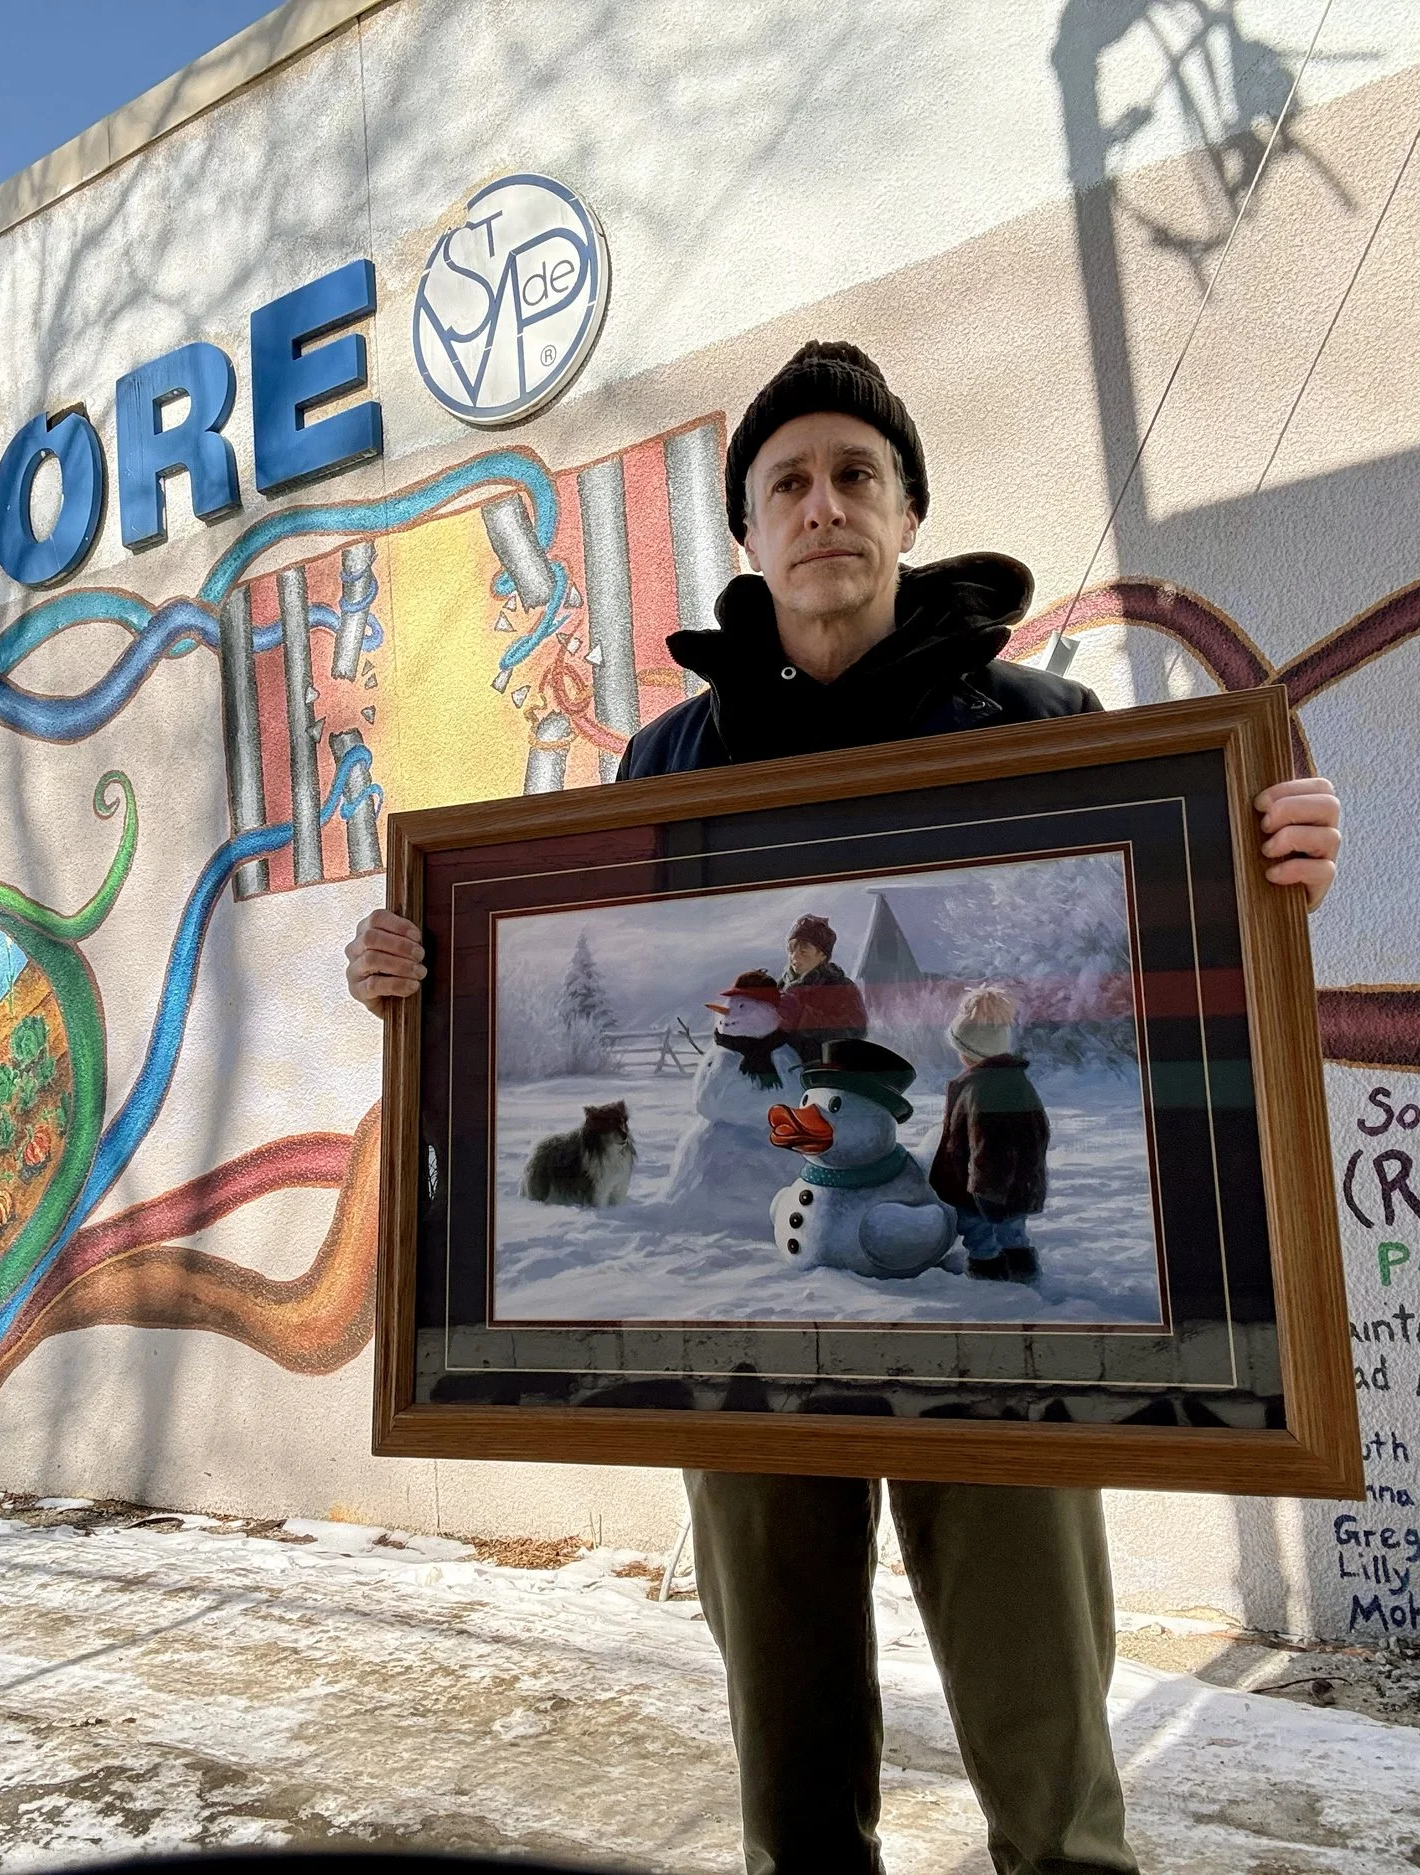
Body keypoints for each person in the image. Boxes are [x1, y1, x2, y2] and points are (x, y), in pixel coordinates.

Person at [346, 339, 1341, 1875]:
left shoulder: (1037, 716)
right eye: (789, 482)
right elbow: (617, 985)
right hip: (735, 1323)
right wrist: (423, 970)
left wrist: (1265, 861)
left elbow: (1157, 951)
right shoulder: (668, 756)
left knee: (1045, 1728)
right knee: (792, 1748)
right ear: (748, 531)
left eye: (856, 475)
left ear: (907, 509)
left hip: (991, 1332)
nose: (825, 506)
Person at [930, 982, 1049, 1284]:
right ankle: (1022, 1268)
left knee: (978, 1228)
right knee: (1012, 1229)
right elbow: (1040, 1132)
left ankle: (987, 1270)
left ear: (970, 1053)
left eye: (961, 1049)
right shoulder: (1012, 1082)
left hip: (981, 1187)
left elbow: (987, 1147)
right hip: (1014, 1184)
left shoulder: (981, 1090)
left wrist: (984, 1190)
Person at [777, 913, 868, 1057]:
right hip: (784, 1069)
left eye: (803, 951)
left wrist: (803, 1017)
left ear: (822, 955)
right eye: (791, 949)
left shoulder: (841, 988)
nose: (794, 957)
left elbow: (856, 1031)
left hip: (824, 1071)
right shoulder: (781, 986)